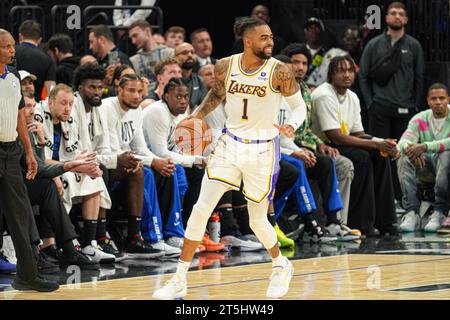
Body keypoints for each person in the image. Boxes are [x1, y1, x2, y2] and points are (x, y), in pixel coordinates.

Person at [153, 17, 307, 300]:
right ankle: (178, 280)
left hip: (262, 150)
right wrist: (196, 116)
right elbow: (217, 93)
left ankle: (280, 264)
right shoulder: (225, 65)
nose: (270, 42)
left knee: (258, 221)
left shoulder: (280, 71)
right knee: (201, 209)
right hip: (230, 144)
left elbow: (299, 108)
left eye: (271, 37)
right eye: (264, 38)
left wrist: (291, 126)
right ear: (248, 41)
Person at [72, 63, 178, 258]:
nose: (137, 96)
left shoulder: (129, 110)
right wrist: (146, 161)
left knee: (169, 171)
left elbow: (136, 148)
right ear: (118, 89)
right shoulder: (104, 108)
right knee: (136, 170)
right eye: (131, 91)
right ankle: (102, 238)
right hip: (90, 165)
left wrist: (153, 160)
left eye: (140, 92)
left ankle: (144, 237)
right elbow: (106, 151)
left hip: (108, 161)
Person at [311, 55, 398, 236]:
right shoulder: (323, 95)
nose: (347, 75)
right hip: (323, 145)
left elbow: (358, 134)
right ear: (331, 74)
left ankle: (386, 221)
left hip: (344, 141)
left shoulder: (352, 96)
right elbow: (335, 136)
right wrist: (376, 145)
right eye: (341, 71)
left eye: (350, 70)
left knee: (381, 157)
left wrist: (383, 143)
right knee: (362, 158)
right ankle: (360, 223)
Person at [0, 28, 59, 291]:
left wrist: (27, 151)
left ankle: (26, 275)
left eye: (13, 46)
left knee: (20, 214)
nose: (13, 51)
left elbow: (18, 116)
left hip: (10, 152)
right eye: (7, 46)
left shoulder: (12, 76)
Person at [280, 44, 357, 238]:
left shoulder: (302, 90)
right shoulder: (269, 96)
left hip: (294, 145)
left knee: (326, 162)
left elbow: (300, 129)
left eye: (304, 63)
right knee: (298, 164)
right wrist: (297, 151)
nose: (299, 67)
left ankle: (333, 221)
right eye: (294, 63)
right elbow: (276, 134)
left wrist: (318, 145)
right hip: (273, 149)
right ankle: (310, 222)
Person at [34, 84, 115, 264]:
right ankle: (51, 243)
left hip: (63, 167)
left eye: (71, 104)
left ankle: (89, 242)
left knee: (94, 176)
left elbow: (77, 152)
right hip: (42, 171)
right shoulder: (38, 116)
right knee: (60, 181)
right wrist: (76, 166)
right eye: (63, 103)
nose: (68, 108)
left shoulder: (69, 119)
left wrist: (88, 164)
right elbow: (41, 160)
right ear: (50, 101)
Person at [359, 2, 424, 203]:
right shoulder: (374, 44)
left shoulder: (413, 45)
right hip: (380, 106)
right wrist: (370, 103)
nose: (397, 17)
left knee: (403, 154)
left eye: (401, 14)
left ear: (405, 20)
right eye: (393, 13)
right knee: (381, 155)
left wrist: (415, 106)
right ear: (386, 18)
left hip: (405, 108)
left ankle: (402, 197)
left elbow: (420, 77)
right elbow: (363, 76)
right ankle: (381, 199)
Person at [397, 83, 450, 233]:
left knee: (446, 153)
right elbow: (403, 142)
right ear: (428, 101)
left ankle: (440, 211)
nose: (438, 102)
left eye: (442, 98)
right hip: (428, 167)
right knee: (404, 156)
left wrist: (425, 146)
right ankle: (412, 212)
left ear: (448, 99)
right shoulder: (420, 118)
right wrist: (411, 151)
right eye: (434, 99)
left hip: (447, 166)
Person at [15, 20, 56, 101]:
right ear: (39, 40)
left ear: (20, 36)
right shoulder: (47, 60)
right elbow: (51, 92)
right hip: (34, 108)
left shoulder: (9, 53)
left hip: (9, 106)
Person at [174, 42, 207, 111]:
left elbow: (203, 106)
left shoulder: (199, 80)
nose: (190, 55)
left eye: (192, 52)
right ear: (175, 58)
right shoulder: (171, 79)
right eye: (184, 53)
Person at [303, 17, 328, 89]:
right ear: (305, 32)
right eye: (310, 28)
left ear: (322, 32)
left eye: (316, 28)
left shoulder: (327, 54)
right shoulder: (299, 52)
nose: (313, 31)